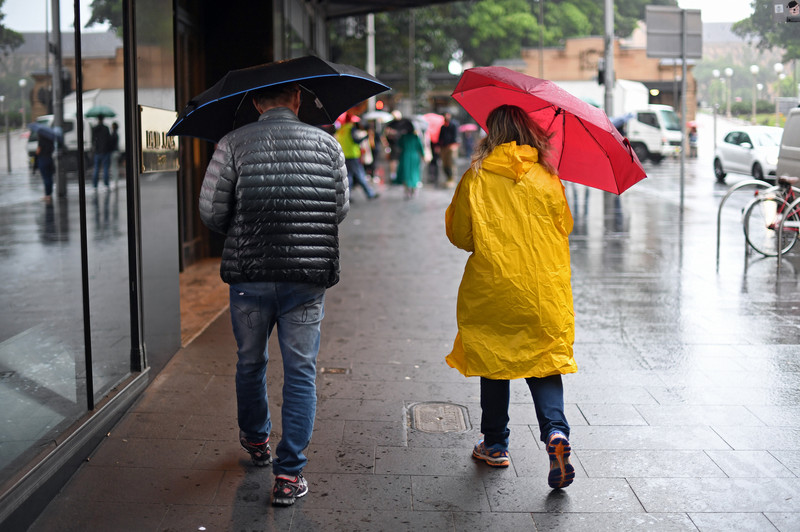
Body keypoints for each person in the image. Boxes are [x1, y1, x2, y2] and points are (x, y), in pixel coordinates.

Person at [199, 82, 350, 507]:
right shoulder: (327, 144)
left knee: (251, 362)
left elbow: (211, 212)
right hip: (306, 278)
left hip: (251, 277)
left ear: (254, 102)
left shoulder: (232, 143)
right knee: (301, 370)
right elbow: (338, 208)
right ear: (298, 100)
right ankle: (289, 474)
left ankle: (256, 440)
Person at [444, 104, 577, 490]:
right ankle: (556, 434)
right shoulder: (548, 177)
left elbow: (461, 236)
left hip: (494, 285)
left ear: (493, 132)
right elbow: (564, 226)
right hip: (544, 288)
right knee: (545, 360)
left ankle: (496, 445)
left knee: (494, 359)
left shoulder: (478, 176)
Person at [335, 113, 379, 200]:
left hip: (343, 155)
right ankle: (369, 193)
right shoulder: (351, 128)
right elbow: (356, 141)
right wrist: (365, 137)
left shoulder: (341, 129)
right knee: (360, 174)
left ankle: (347, 196)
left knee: (349, 176)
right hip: (352, 155)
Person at [396, 124, 425, 199]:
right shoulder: (416, 137)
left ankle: (407, 191)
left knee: (406, 173)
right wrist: (423, 155)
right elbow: (420, 147)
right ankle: (414, 190)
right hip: (414, 156)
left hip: (405, 156)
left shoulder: (403, 137)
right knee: (414, 173)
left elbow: (399, 145)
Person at [438, 112, 460, 188]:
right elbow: (440, 137)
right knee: (445, 164)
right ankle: (448, 178)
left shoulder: (454, 125)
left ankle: (452, 179)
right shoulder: (443, 127)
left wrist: (454, 145)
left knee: (451, 163)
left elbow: (456, 136)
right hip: (444, 147)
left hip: (452, 147)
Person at [91, 116, 113, 190]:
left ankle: (95, 185)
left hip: (97, 151)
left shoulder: (94, 128)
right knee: (105, 168)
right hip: (105, 151)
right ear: (103, 119)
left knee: (96, 168)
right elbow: (109, 140)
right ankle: (106, 184)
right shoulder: (106, 128)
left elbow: (93, 140)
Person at [36, 132, 55, 203]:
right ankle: (49, 194)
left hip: (43, 160)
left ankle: (47, 195)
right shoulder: (50, 141)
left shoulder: (41, 141)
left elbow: (38, 151)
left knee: (45, 177)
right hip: (50, 159)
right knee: (49, 177)